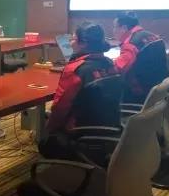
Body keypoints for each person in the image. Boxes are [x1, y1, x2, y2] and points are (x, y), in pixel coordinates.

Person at [39, 22, 118, 160]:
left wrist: (49, 129)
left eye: (73, 39)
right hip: (109, 128)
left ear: (83, 44)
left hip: (80, 133)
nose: (70, 42)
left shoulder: (76, 70)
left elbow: (60, 108)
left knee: (45, 143)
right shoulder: (110, 64)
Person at [113, 12, 167, 103]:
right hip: (159, 89)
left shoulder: (131, 44)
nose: (113, 30)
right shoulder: (152, 36)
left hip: (138, 93)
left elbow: (118, 68)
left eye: (115, 27)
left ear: (124, 28)